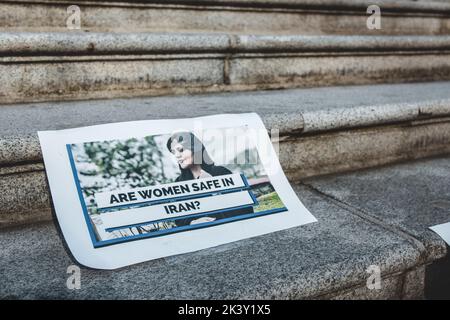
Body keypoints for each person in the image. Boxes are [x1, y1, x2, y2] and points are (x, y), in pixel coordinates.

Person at [167, 132, 254, 227]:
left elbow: (245, 207)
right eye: (173, 152)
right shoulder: (179, 183)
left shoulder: (220, 172)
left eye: (181, 150)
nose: (177, 155)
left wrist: (214, 190)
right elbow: (179, 219)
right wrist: (192, 223)